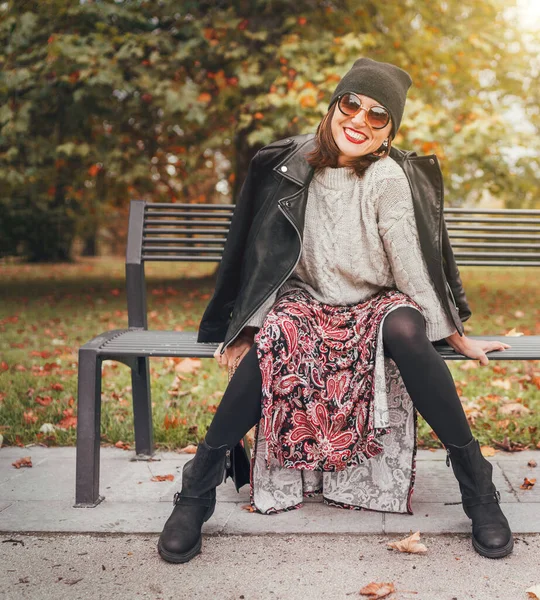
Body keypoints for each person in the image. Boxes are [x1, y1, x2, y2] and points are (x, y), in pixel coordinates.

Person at [157, 57, 514, 563]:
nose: (359, 121)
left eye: (377, 116)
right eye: (352, 104)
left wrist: (456, 335)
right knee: (277, 334)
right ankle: (196, 491)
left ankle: (478, 487)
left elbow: (411, 265)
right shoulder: (289, 166)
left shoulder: (388, 178)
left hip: (375, 301)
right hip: (306, 299)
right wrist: (244, 324)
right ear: (333, 107)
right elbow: (251, 252)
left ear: (388, 133)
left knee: (410, 329)